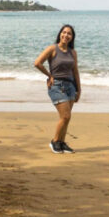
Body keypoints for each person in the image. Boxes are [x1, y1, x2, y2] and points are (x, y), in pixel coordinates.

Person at [34, 24, 81, 154]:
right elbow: (37, 63)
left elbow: (75, 71)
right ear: (60, 34)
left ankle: (62, 142)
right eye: (64, 32)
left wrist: (79, 89)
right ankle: (54, 141)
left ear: (72, 37)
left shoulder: (73, 53)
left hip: (70, 86)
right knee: (65, 116)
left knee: (67, 117)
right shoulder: (52, 49)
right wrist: (49, 75)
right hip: (57, 86)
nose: (66, 35)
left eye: (69, 34)